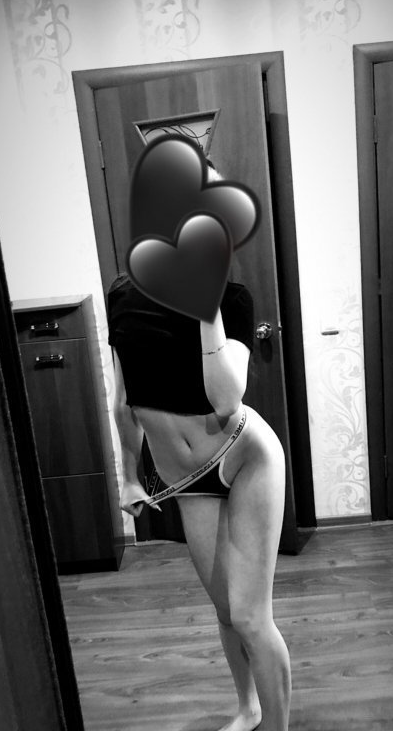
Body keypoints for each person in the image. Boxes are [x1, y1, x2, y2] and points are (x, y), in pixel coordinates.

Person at [108, 167, 291, 731]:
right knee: (226, 611)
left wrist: (206, 305)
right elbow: (122, 399)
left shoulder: (231, 299)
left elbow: (227, 398)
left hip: (244, 454)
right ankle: (248, 708)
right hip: (186, 480)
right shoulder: (122, 296)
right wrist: (129, 475)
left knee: (251, 616)